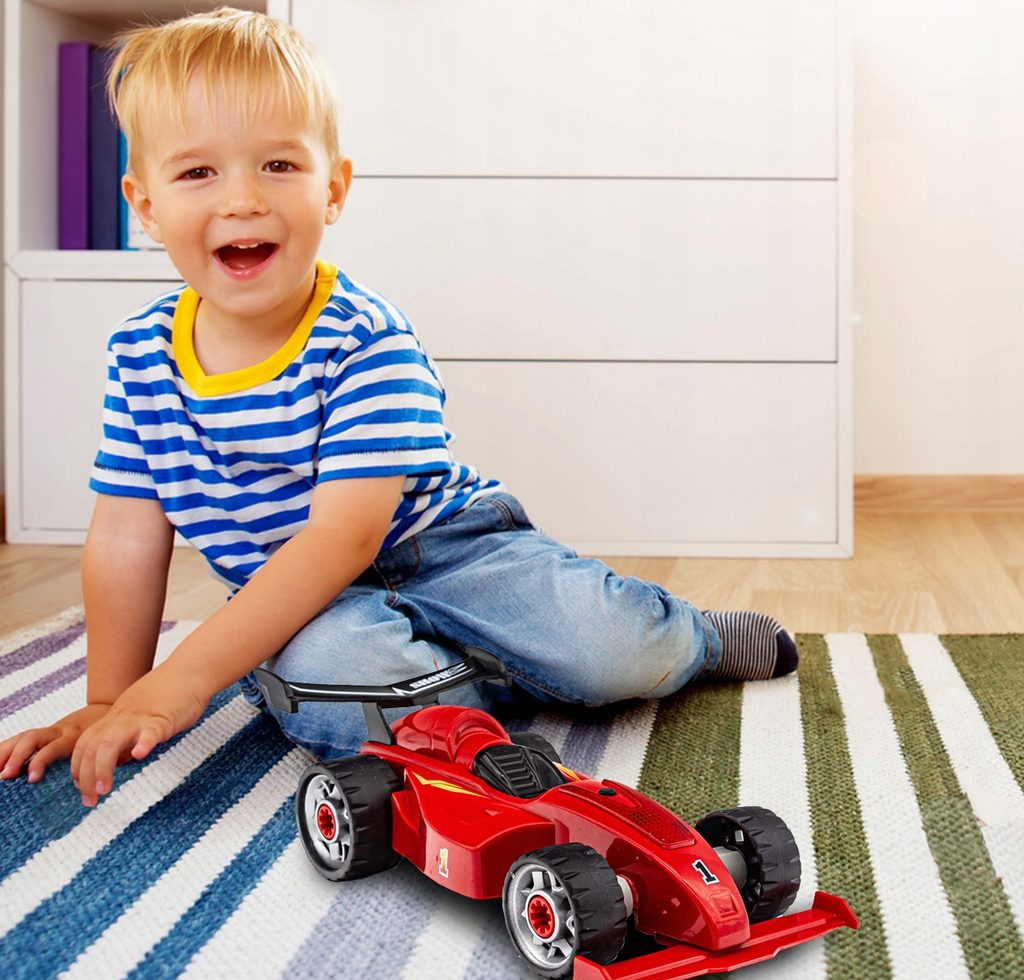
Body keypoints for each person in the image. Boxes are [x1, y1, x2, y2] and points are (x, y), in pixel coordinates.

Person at [0, 8, 797, 807]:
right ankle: (467, 691)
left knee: (611, 652)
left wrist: (181, 681)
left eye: (278, 164)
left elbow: (341, 538)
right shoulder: (140, 355)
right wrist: (113, 698)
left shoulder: (364, 336)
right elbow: (125, 536)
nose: (242, 199)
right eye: (198, 173)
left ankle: (691, 638)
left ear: (333, 189)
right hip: (302, 605)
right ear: (144, 207)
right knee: (339, 680)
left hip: (447, 550)